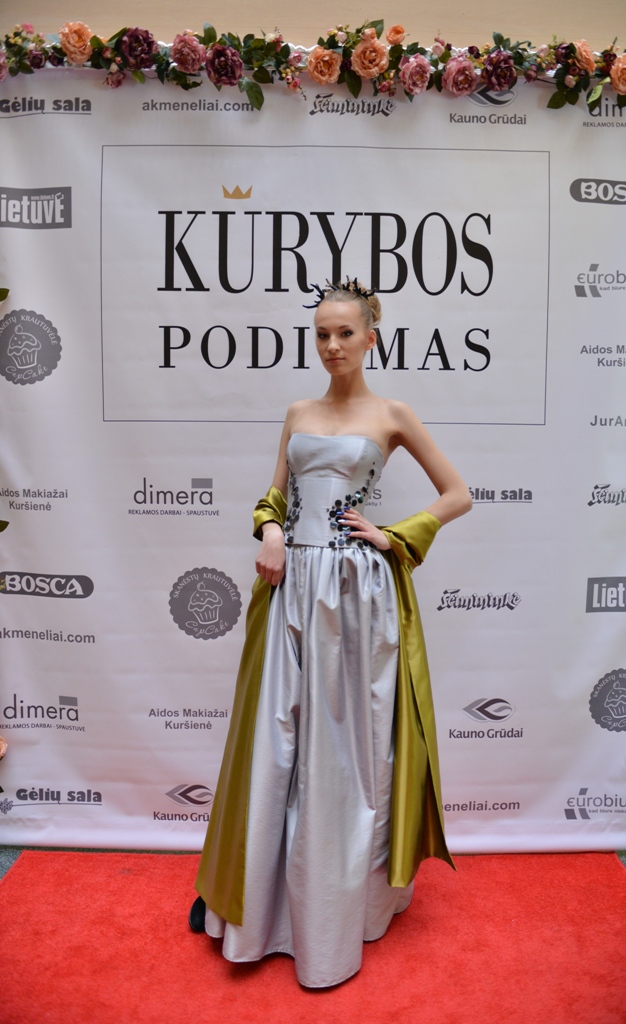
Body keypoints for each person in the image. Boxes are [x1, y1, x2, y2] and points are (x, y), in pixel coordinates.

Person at [190, 278, 472, 988]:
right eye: (321, 333)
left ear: (371, 337)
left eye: (345, 332)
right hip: (290, 588)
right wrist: (270, 532)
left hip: (356, 593)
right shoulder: (298, 412)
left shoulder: (392, 413)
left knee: (348, 751)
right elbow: (274, 495)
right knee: (274, 741)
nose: (332, 345)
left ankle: (344, 909)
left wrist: (394, 535)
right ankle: (256, 903)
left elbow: (457, 495)